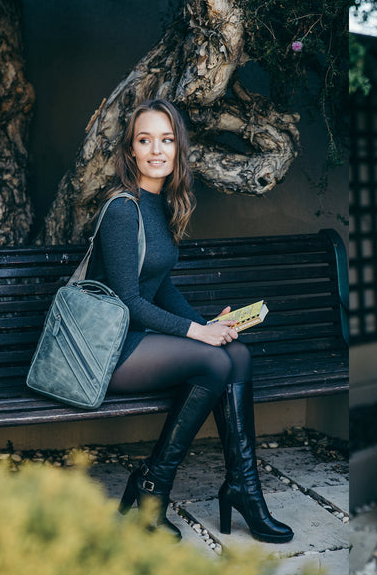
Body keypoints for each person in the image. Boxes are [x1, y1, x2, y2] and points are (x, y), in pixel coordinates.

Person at [89, 98, 293, 544]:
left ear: (179, 149)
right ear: (131, 150)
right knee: (215, 362)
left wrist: (208, 324)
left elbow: (160, 288)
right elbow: (128, 301)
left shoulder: (159, 204)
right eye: (145, 140)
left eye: (166, 140)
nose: (156, 150)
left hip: (141, 344)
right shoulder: (122, 209)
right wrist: (198, 333)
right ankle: (151, 487)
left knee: (236, 353)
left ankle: (244, 488)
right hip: (109, 351)